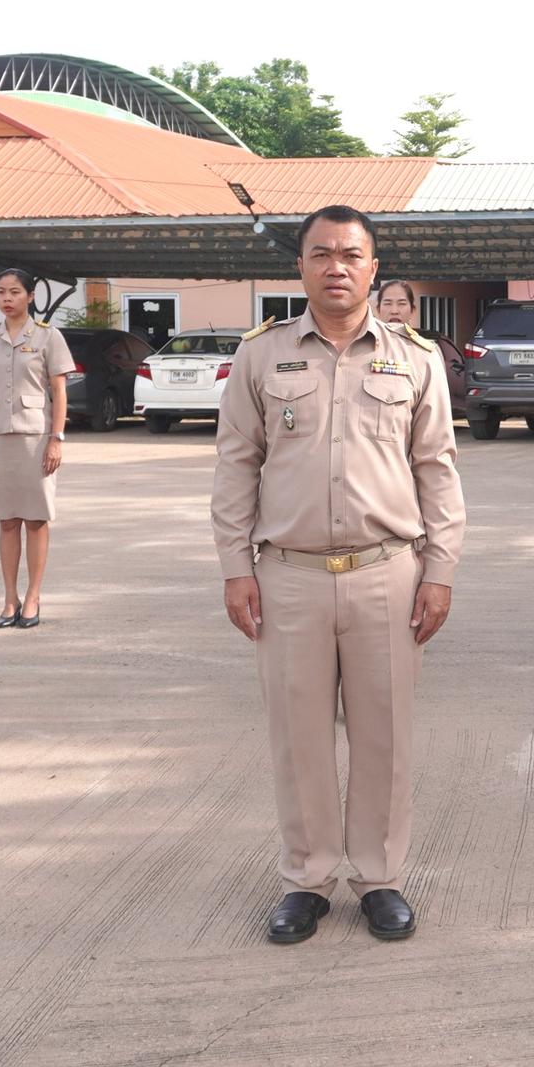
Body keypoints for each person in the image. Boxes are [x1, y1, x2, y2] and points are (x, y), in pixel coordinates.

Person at [211, 205, 466, 945]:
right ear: (300, 267)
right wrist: (235, 568)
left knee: (384, 736)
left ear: (373, 267)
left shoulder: (415, 359)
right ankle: (307, 877)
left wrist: (440, 570)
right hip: (287, 573)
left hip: (388, 570)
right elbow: (236, 466)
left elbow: (437, 470)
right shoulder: (262, 355)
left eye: (351, 254)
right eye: (321, 253)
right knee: (299, 736)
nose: (336, 267)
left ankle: (379, 875)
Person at [0, 268, 76, 628]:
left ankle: (33, 596)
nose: (7, 298)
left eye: (14, 292)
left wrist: (56, 439)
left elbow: (59, 392)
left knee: (36, 518)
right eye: (0, 292)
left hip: (35, 438)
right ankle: (9, 597)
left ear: (30, 296)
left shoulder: (48, 337)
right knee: (7, 520)